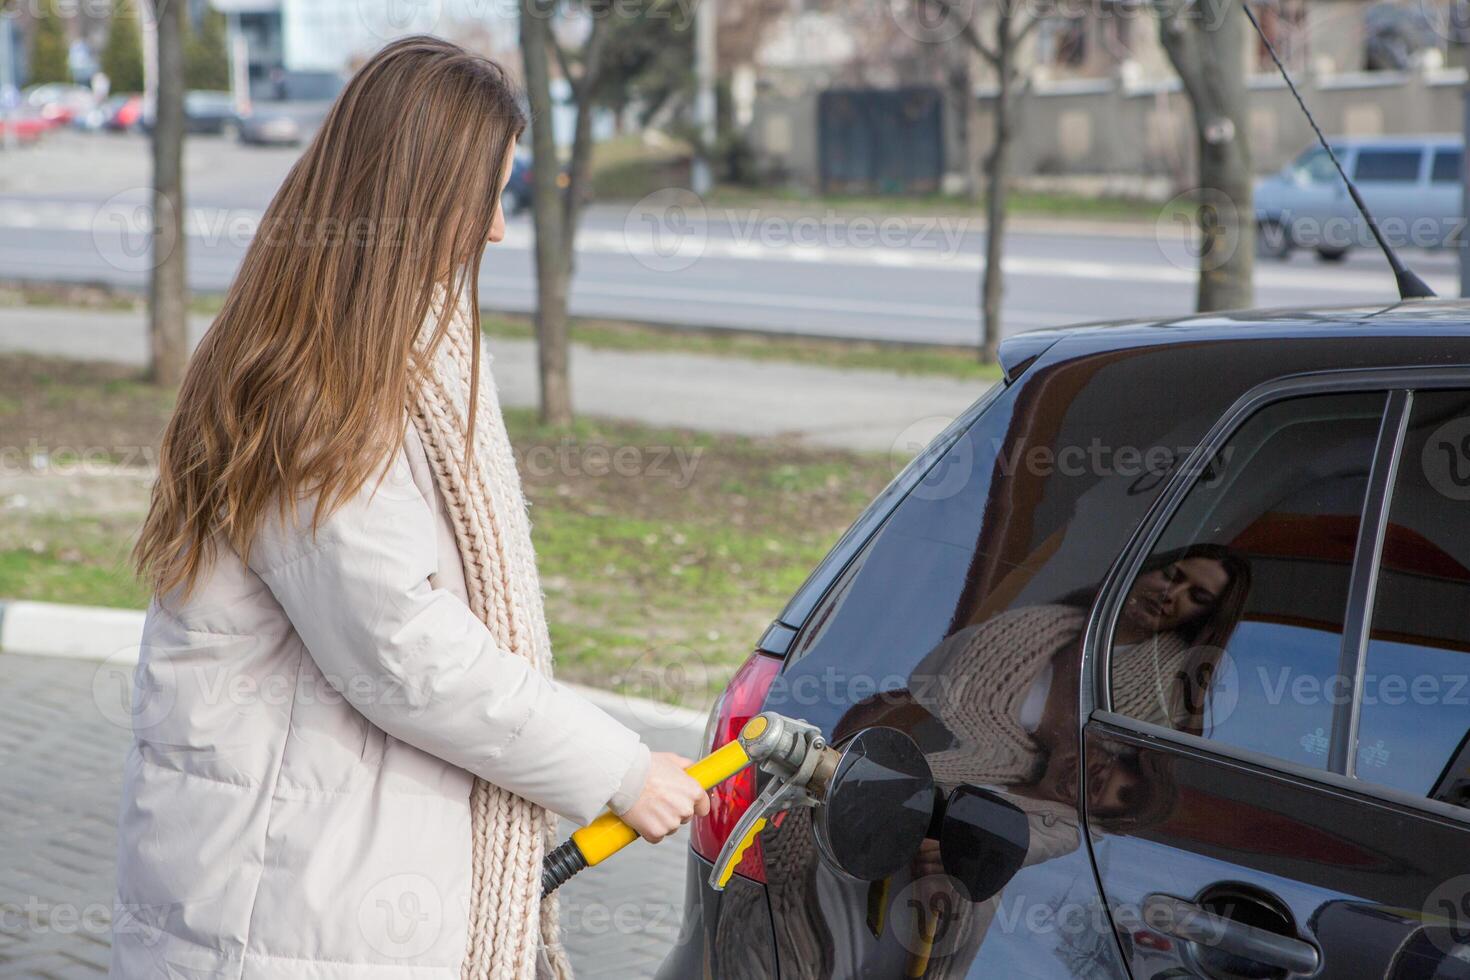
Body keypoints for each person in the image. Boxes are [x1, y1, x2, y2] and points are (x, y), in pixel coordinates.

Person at [111, 37, 708, 979]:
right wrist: (620, 772)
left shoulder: (343, 347)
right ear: (418, 195)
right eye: (487, 199)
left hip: (310, 887)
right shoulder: (317, 381)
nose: (498, 231)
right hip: (286, 915)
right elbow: (402, 648)